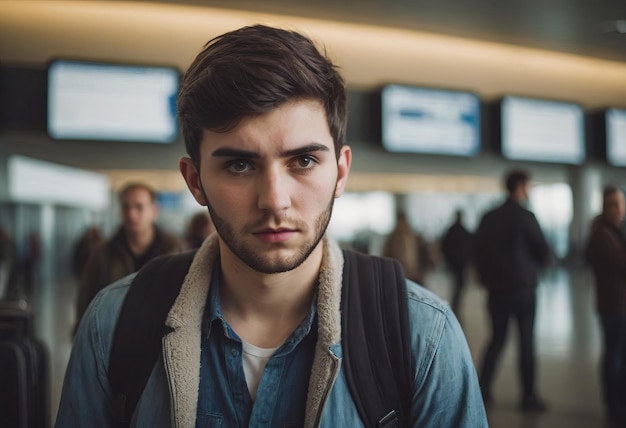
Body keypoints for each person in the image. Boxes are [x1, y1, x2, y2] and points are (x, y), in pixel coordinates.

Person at [56, 25, 487, 427]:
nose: (274, 200)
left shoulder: (422, 334)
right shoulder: (114, 323)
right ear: (195, 181)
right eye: (240, 165)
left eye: (303, 161)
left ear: (340, 172)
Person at [474, 168, 551, 412]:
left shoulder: (489, 217)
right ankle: (528, 396)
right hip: (523, 289)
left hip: (497, 290)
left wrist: (487, 278)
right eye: (528, 186)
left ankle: (482, 389)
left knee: (497, 339)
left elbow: (478, 253)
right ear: (520, 186)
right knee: (526, 342)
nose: (529, 191)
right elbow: (543, 250)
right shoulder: (525, 216)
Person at [74, 182, 183, 328]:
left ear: (154, 210)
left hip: (161, 336)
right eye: (126, 207)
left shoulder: (174, 250)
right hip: (115, 335)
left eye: (139, 207)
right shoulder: (103, 253)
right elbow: (86, 298)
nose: (131, 214)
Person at [585, 185, 626, 425]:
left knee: (618, 356)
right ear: (604, 207)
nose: (619, 209)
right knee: (614, 357)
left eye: (621, 203)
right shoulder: (602, 235)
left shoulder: (615, 231)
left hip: (617, 304)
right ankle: (614, 406)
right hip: (614, 305)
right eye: (614, 204)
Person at [441, 209, 473, 315]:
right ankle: (456, 307)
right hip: (461, 264)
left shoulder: (451, 231)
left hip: (455, 263)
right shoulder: (464, 231)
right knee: (459, 286)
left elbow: (444, 246)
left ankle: (455, 307)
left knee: (457, 287)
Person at [382, 212, 423, 284]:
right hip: (400, 275)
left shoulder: (415, 238)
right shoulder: (391, 240)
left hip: (415, 275)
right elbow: (386, 257)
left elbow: (423, 255)